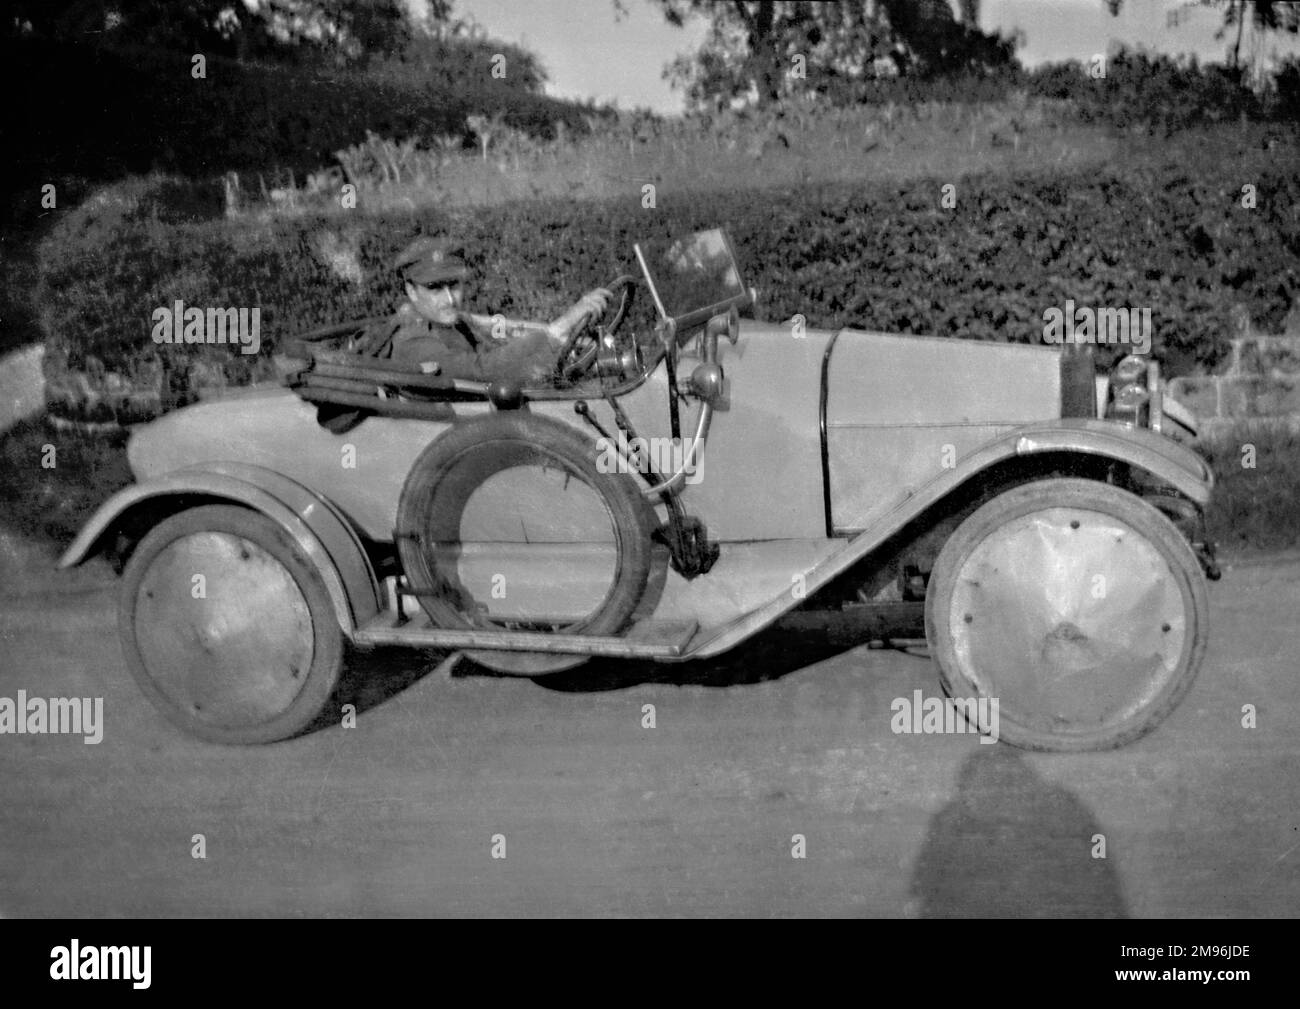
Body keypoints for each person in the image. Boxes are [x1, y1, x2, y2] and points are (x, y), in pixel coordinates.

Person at [355, 237, 611, 387]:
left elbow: (500, 334)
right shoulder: (412, 339)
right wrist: (559, 328)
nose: (449, 299)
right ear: (411, 291)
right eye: (434, 288)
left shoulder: (453, 322)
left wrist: (568, 339)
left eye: (454, 285)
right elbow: (483, 370)